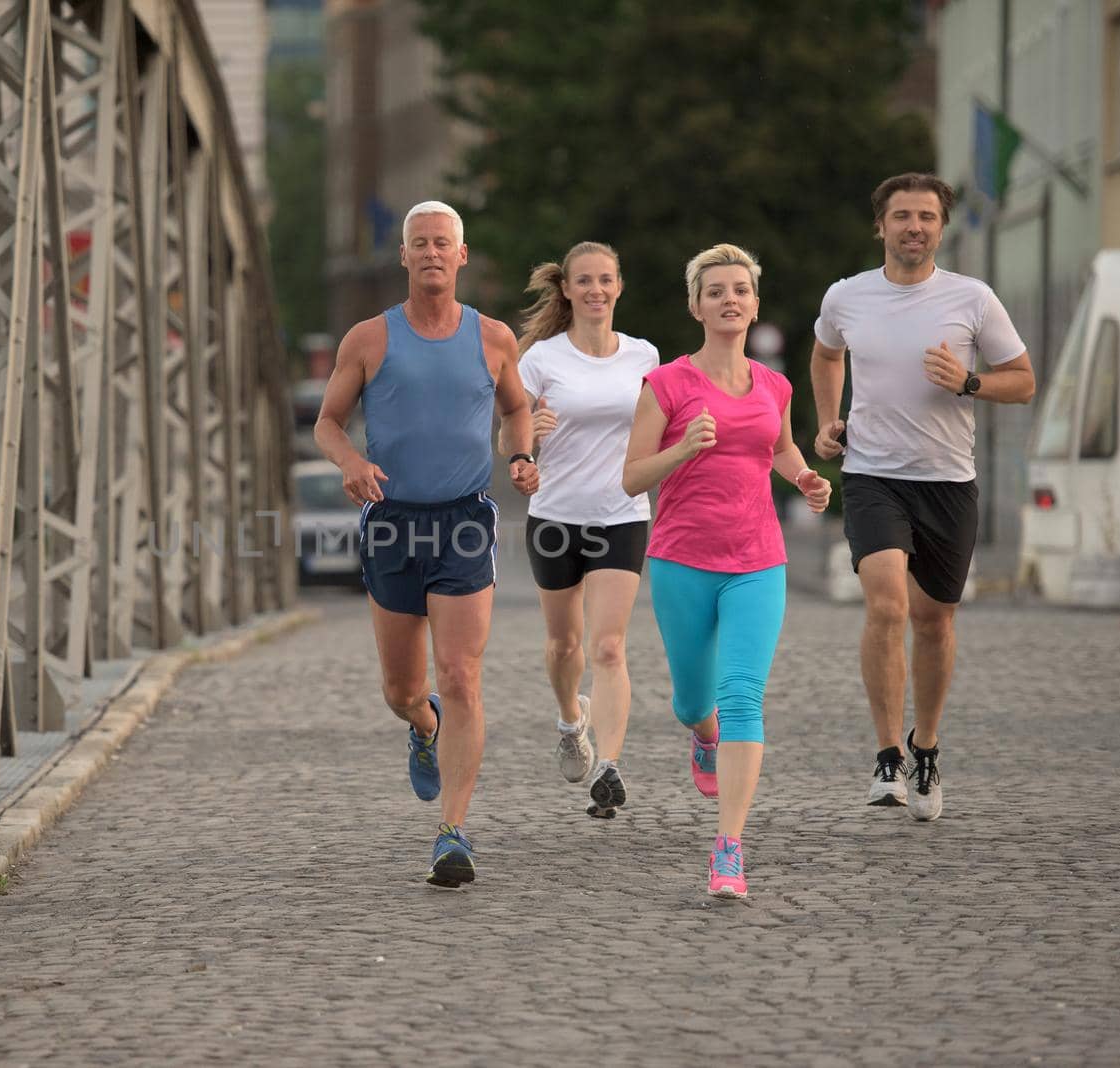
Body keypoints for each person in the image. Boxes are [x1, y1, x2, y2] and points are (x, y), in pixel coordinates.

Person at [314, 200, 538, 888]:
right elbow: (327, 421)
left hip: (465, 521)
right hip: (391, 520)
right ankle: (422, 726)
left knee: (461, 674)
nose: (433, 253)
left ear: (461, 256)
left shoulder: (494, 338)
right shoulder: (368, 339)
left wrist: (522, 453)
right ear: (404, 257)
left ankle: (453, 831)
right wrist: (350, 461)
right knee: (403, 689)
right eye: (421, 244)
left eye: (444, 243)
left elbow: (516, 406)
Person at [810, 173, 1034, 822]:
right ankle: (887, 755)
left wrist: (967, 381)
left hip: (947, 480)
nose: (914, 226)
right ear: (880, 226)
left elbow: (1022, 382)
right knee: (884, 606)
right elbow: (826, 355)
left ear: (941, 227)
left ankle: (925, 745)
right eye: (902, 216)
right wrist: (830, 419)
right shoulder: (847, 297)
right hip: (873, 475)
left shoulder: (973, 299)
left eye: (927, 217)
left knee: (934, 621)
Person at [621, 243, 831, 898]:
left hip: (757, 561)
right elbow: (630, 475)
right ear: (696, 305)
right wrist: (683, 447)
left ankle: (729, 848)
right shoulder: (668, 385)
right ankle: (702, 735)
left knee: (743, 694)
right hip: (682, 559)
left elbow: (782, 447)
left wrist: (803, 478)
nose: (730, 299)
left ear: (754, 303)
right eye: (716, 290)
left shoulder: (775, 385)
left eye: (740, 289)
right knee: (693, 701)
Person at [508, 242, 659, 818]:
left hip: (621, 513)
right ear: (567, 290)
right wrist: (527, 443)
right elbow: (510, 440)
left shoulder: (645, 357)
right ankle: (573, 720)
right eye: (584, 281)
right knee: (564, 644)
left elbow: (659, 433)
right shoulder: (542, 359)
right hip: (554, 516)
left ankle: (611, 766)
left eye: (606, 280)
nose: (596, 290)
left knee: (609, 645)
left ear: (619, 286)